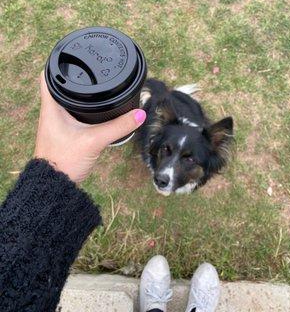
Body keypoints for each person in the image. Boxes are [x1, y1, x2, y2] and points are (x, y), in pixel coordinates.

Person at [0, 74, 220, 312]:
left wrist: (52, 175)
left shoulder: (204, 148)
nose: (164, 172)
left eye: (188, 160)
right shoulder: (159, 138)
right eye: (165, 151)